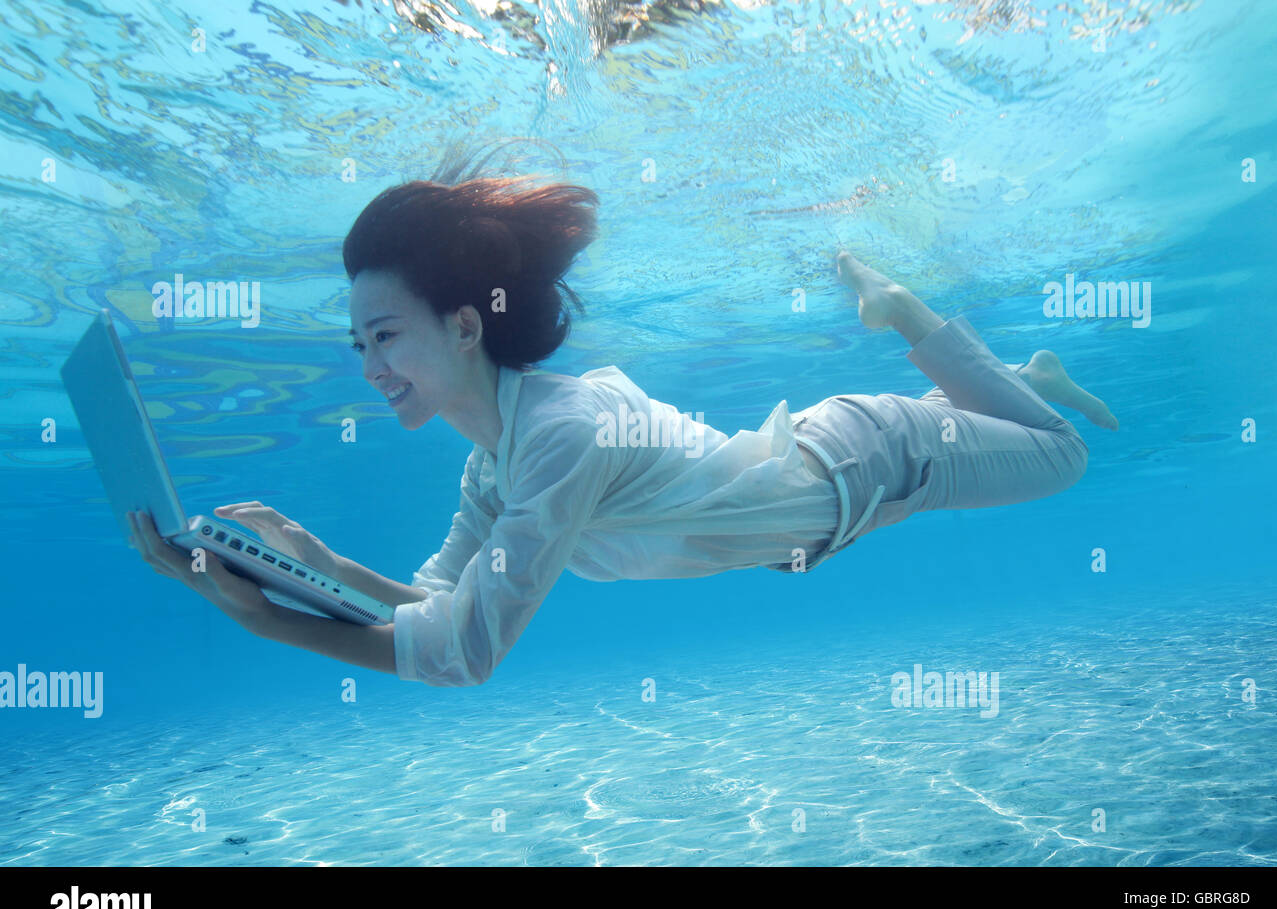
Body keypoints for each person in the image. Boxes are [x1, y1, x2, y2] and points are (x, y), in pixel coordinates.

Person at [128, 170, 1116, 688]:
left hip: (878, 457)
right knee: (1032, 433)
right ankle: (1013, 381)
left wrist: (265, 621)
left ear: (463, 325)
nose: (370, 365)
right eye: (356, 343)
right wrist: (306, 561)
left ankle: (907, 315)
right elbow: (435, 597)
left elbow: (462, 650)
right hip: (839, 499)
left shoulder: (560, 438)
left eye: (383, 334)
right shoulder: (494, 463)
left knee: (1068, 459)